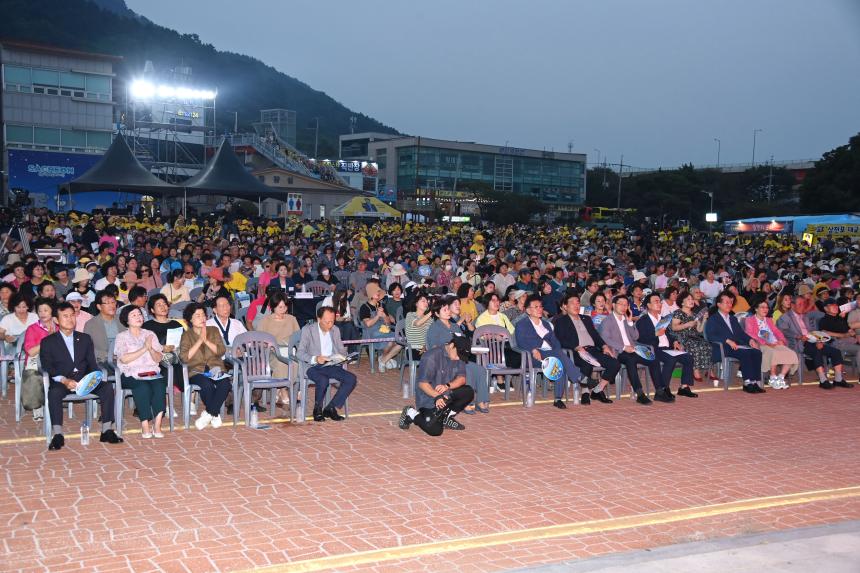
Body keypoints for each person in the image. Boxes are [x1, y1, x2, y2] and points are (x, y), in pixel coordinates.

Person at [41, 302, 123, 451]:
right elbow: (47, 367)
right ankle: (58, 434)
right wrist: (64, 380)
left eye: (72, 315)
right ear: (56, 320)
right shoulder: (48, 342)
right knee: (53, 393)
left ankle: (106, 430)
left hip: (84, 379)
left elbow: (92, 364)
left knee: (106, 388)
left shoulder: (84, 338)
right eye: (65, 316)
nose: (70, 319)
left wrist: (93, 378)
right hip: (62, 380)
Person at [514, 295, 583, 409]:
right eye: (536, 307)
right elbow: (521, 342)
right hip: (533, 357)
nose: (540, 309)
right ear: (528, 310)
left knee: (558, 360)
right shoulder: (522, 324)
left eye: (541, 306)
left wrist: (555, 350)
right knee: (559, 356)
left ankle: (558, 399)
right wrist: (533, 349)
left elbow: (556, 343)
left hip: (550, 354)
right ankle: (577, 376)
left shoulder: (546, 324)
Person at [398, 335, 474, 435]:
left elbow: (462, 379)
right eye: (458, 354)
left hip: (446, 395)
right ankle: (411, 413)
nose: (458, 358)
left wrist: (447, 385)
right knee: (435, 430)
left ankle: (445, 417)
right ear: (451, 346)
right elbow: (422, 383)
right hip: (428, 398)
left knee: (468, 392)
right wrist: (437, 396)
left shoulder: (459, 356)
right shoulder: (431, 356)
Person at [552, 292, 616, 404]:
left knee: (614, 364)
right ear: (565, 306)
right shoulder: (561, 321)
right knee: (586, 364)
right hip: (576, 351)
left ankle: (597, 390)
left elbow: (596, 336)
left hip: (592, 350)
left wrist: (604, 346)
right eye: (572, 303)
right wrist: (575, 347)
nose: (576, 305)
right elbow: (560, 340)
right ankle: (585, 392)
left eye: (578, 303)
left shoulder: (586, 318)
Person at [597, 295, 661, 405]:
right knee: (631, 359)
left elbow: (635, 337)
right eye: (620, 304)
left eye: (625, 305)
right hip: (618, 351)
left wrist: (630, 322)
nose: (623, 307)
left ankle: (660, 391)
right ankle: (639, 393)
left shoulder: (626, 320)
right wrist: (623, 347)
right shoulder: (607, 321)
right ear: (613, 305)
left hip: (633, 349)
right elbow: (605, 339)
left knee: (653, 358)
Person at [296, 306, 358, 422]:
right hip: (313, 366)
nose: (330, 324)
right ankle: (317, 409)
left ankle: (330, 407)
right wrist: (315, 358)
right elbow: (299, 353)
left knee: (351, 379)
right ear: (319, 319)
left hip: (331, 365)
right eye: (327, 321)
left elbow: (340, 349)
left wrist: (344, 356)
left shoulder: (335, 330)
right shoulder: (308, 330)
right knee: (322, 380)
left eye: (332, 321)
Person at [115, 305, 167, 438]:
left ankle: (157, 425)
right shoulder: (122, 337)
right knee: (142, 387)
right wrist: (144, 348)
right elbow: (124, 359)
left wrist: (150, 349)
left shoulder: (150, 334)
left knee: (160, 385)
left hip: (151, 372)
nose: (138, 317)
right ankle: (145, 425)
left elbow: (158, 358)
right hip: (131, 373)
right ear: (126, 320)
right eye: (134, 315)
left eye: (139, 314)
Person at [776, 296, 850, 389]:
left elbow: (814, 330)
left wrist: (818, 340)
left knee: (835, 352)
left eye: (803, 304)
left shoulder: (806, 317)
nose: (802, 306)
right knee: (816, 351)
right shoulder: (785, 317)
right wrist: (797, 336)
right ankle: (823, 380)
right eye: (799, 304)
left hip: (812, 341)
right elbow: (783, 330)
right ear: (792, 305)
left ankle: (838, 379)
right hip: (798, 342)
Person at [179, 302, 231, 430]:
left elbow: (221, 351)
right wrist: (199, 341)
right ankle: (215, 414)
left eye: (203, 315)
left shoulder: (213, 330)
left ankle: (208, 413)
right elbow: (184, 357)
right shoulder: (186, 335)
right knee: (206, 385)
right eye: (197, 316)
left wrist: (206, 340)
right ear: (190, 319)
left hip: (215, 367)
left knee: (225, 384)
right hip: (196, 370)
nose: (202, 318)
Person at [637, 293, 694, 399]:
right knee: (670, 359)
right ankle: (662, 390)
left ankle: (684, 387)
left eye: (660, 301)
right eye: (656, 301)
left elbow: (669, 335)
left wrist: (675, 342)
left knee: (688, 357)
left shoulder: (663, 319)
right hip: (654, 348)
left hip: (668, 348)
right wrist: (655, 334)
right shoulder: (643, 321)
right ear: (649, 305)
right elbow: (641, 339)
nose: (659, 303)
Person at [705, 292, 764, 393]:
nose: (729, 305)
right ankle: (747, 383)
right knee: (746, 353)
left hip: (736, 346)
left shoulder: (733, 318)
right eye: (726, 302)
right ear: (719, 304)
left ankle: (755, 382)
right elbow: (711, 335)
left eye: (730, 303)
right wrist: (727, 340)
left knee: (756, 352)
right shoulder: (713, 319)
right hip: (722, 348)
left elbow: (741, 334)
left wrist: (750, 340)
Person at [744, 300, 798, 389]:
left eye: (767, 307)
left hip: (774, 343)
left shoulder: (769, 320)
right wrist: (766, 343)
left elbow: (777, 331)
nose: (765, 309)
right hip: (760, 344)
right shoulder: (750, 320)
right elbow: (750, 334)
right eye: (762, 307)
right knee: (772, 352)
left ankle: (780, 378)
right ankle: (772, 378)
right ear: (756, 309)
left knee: (791, 353)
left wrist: (781, 340)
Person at [669, 291, 717, 386]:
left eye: (692, 299)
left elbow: (699, 330)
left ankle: (709, 369)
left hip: (694, 337)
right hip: (683, 337)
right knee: (694, 345)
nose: (691, 301)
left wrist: (704, 320)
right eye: (688, 299)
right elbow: (674, 327)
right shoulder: (678, 313)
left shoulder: (695, 314)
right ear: (682, 302)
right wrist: (687, 324)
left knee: (707, 345)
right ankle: (695, 371)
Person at [360, 282, 400, 372]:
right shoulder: (364, 307)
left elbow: (388, 323)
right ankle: (385, 359)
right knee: (390, 342)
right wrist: (377, 316)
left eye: (378, 291)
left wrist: (384, 316)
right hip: (372, 333)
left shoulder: (381, 306)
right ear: (370, 294)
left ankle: (383, 359)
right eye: (376, 292)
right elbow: (368, 324)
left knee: (399, 341)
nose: (378, 293)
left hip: (385, 331)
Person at [818, 297, 860, 373]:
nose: (835, 307)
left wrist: (852, 333)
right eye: (832, 305)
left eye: (836, 305)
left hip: (848, 342)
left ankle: (833, 369)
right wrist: (843, 335)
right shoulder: (824, 320)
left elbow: (849, 330)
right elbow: (824, 333)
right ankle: (834, 369)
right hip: (835, 343)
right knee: (842, 346)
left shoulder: (840, 319)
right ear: (826, 308)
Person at [83, 290, 126, 364]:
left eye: (113, 302)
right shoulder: (91, 324)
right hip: (103, 361)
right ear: (99, 306)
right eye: (107, 303)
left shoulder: (122, 319)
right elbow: (88, 348)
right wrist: (110, 356)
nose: (112, 306)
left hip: (125, 358)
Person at [403, 292, 433, 360]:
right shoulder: (410, 315)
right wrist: (431, 312)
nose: (426, 303)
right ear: (416, 304)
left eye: (427, 302)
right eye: (423, 301)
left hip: (426, 349)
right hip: (413, 349)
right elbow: (418, 323)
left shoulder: (430, 318)